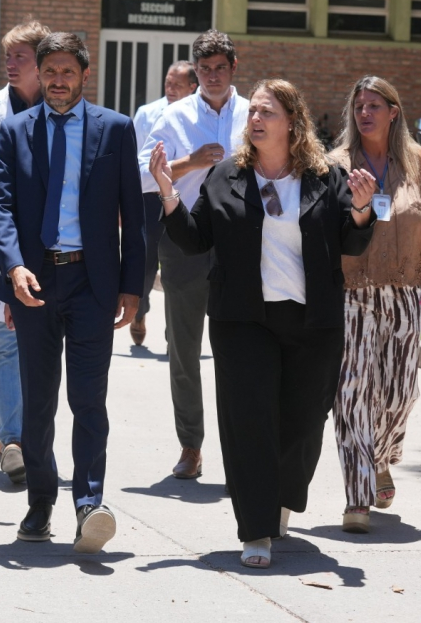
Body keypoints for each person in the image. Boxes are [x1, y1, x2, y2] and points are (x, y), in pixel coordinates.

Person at [151, 78, 377, 568]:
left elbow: (352, 242)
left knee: (303, 424)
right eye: (252, 111)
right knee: (248, 422)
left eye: (267, 112)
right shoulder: (226, 175)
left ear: (292, 122)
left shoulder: (325, 178)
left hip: (311, 322)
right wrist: (168, 194)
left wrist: (362, 210)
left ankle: (280, 498)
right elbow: (194, 238)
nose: (255, 119)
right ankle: (255, 529)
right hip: (242, 321)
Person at [0, 33, 146, 553]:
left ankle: (88, 503)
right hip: (34, 283)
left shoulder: (115, 129)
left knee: (88, 399)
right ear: (38, 74)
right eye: (50, 71)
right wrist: (13, 269)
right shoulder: (16, 130)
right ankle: (39, 504)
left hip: (92, 283)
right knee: (38, 402)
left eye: (68, 72)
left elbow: (133, 214)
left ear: (84, 75)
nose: (58, 81)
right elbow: (0, 205)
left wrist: (132, 287)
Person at [330, 76, 421, 534]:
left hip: (404, 292)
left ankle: (380, 456)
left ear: (393, 112)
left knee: (399, 393)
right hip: (351, 292)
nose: (365, 113)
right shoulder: (336, 165)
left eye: (374, 105)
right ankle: (357, 496)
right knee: (352, 392)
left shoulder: (419, 163)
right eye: (359, 106)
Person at [137, 30, 249, 480]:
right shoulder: (174, 116)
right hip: (185, 238)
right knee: (183, 348)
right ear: (195, 72)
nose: (213, 76)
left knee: (240, 350)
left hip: (242, 243)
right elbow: (142, 175)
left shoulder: (253, 114)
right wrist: (191, 162)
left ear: (234, 68)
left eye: (220, 68)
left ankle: (240, 450)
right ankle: (190, 445)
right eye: (204, 69)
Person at [0, 19, 51, 484]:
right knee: (5, 342)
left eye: (20, 56)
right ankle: (13, 441)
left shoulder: (63, 108)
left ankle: (34, 437)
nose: (10, 64)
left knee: (41, 347)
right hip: (0, 241)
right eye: (7, 56)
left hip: (51, 247)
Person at [129, 61, 197, 346]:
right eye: (168, 82)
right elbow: (132, 161)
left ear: (192, 87)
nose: (170, 88)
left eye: (177, 84)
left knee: (180, 265)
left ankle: (175, 331)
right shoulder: (147, 113)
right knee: (145, 262)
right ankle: (139, 311)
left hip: (184, 198)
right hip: (149, 198)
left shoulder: (198, 117)